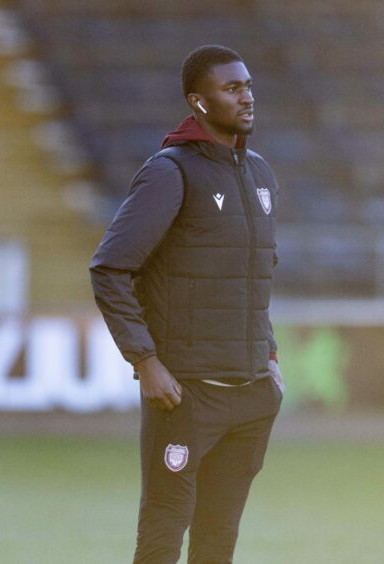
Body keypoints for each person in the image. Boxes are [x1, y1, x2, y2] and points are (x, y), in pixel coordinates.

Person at [90, 45, 284, 563]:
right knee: (161, 536)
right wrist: (146, 361)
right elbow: (110, 269)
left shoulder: (260, 173)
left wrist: (269, 358)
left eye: (248, 85)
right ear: (198, 102)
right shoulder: (169, 172)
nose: (247, 97)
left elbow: (254, 277)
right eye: (232, 88)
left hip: (252, 397)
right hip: (187, 397)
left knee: (219, 538)